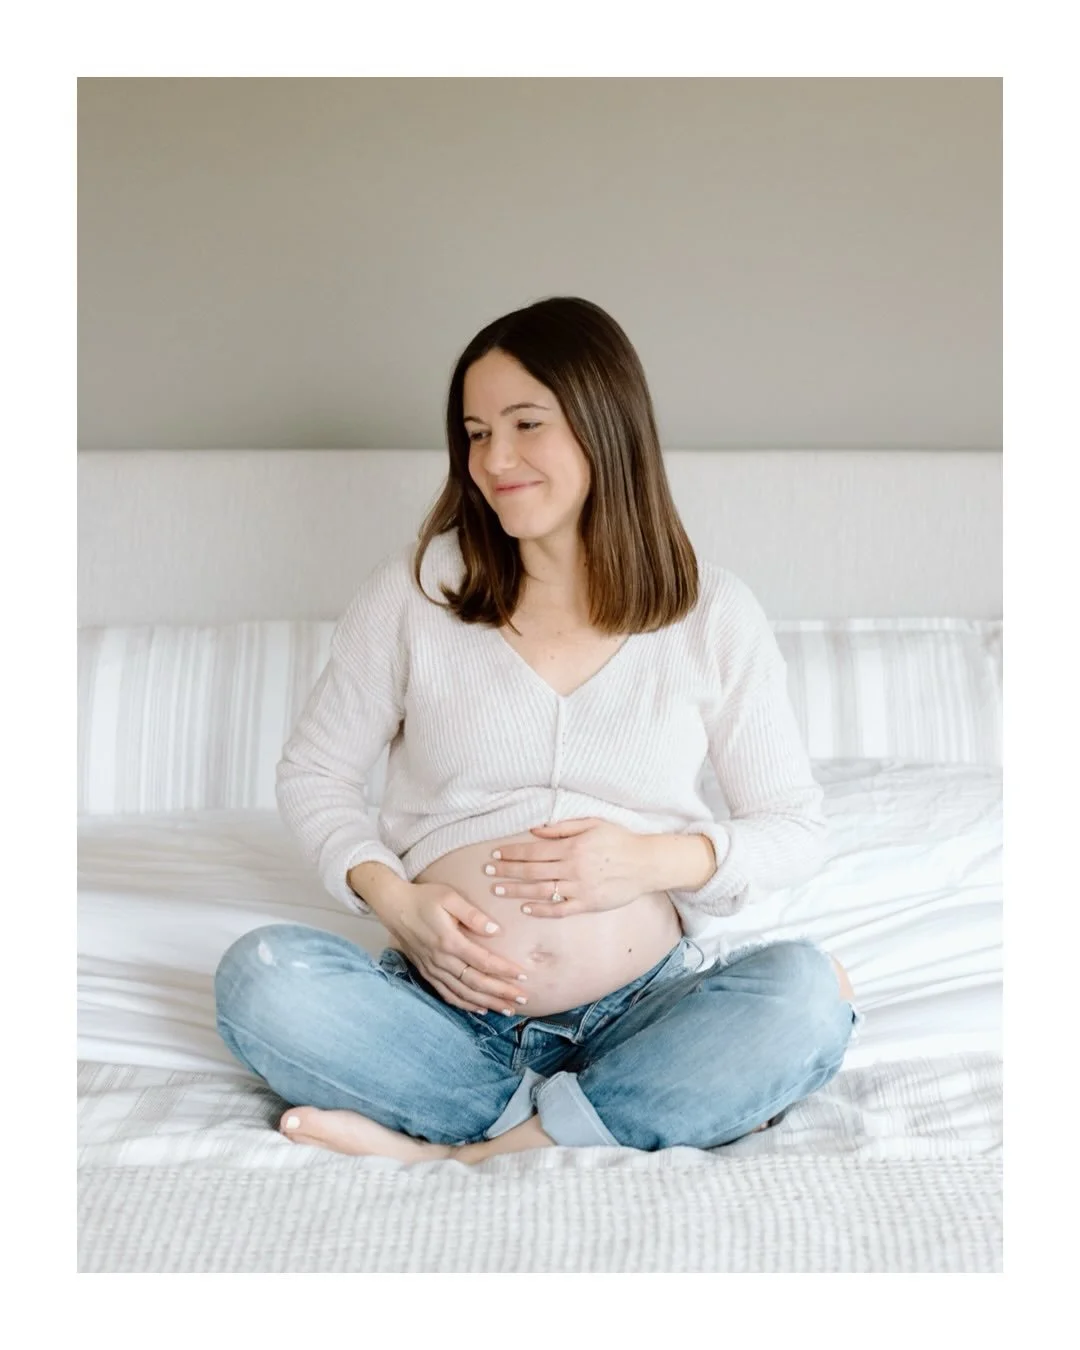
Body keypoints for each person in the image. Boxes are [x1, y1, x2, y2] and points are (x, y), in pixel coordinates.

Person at [213, 296, 860, 1164]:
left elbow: (794, 827)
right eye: (476, 433)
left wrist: (645, 861)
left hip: (644, 1009)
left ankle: (465, 1151)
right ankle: (578, 1123)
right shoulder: (416, 594)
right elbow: (315, 774)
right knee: (262, 978)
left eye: (526, 424)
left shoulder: (713, 615)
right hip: (448, 1016)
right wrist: (397, 904)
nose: (495, 459)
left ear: (605, 426)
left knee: (807, 995)